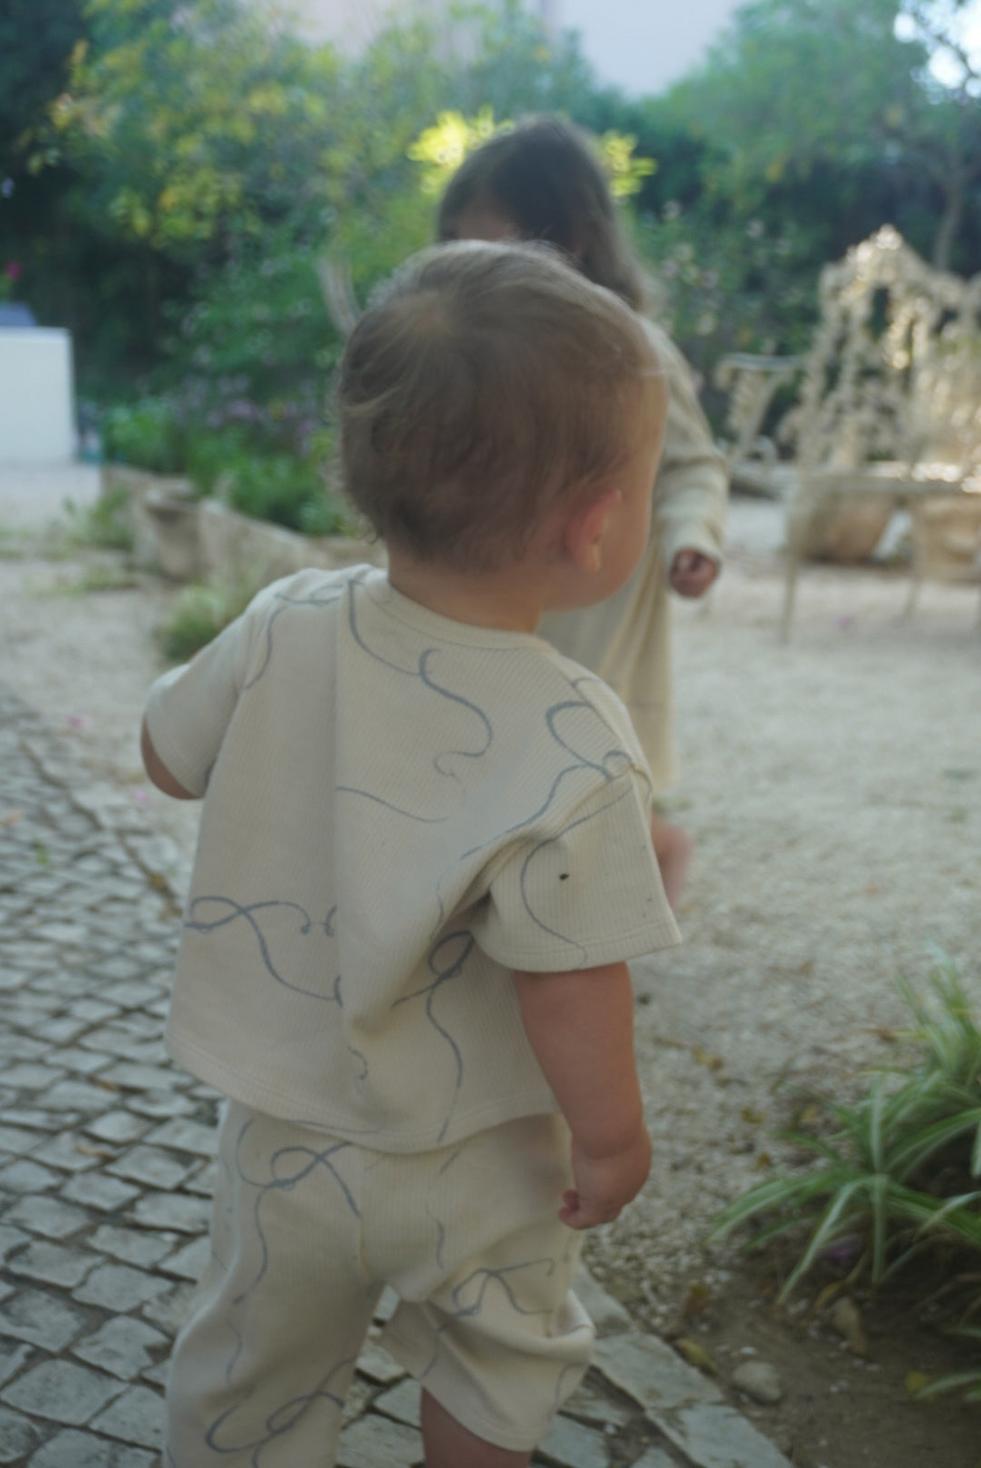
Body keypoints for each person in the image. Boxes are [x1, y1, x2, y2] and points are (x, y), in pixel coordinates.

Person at [143, 240, 681, 1468]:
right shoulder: (577, 735)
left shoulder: (286, 623)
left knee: (252, 1376)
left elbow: (166, 756)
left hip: (284, 1138)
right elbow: (569, 974)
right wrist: (612, 1137)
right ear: (598, 523)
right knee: (500, 1365)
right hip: (482, 1160)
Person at [438, 115, 729, 909]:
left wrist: (691, 537)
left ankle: (627, 884)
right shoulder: (471, 351)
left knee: (578, 748)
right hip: (498, 578)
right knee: (510, 750)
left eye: (490, 246)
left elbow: (690, 463)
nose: (468, 267)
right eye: (456, 247)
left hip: (591, 594)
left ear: (564, 237)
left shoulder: (629, 349)